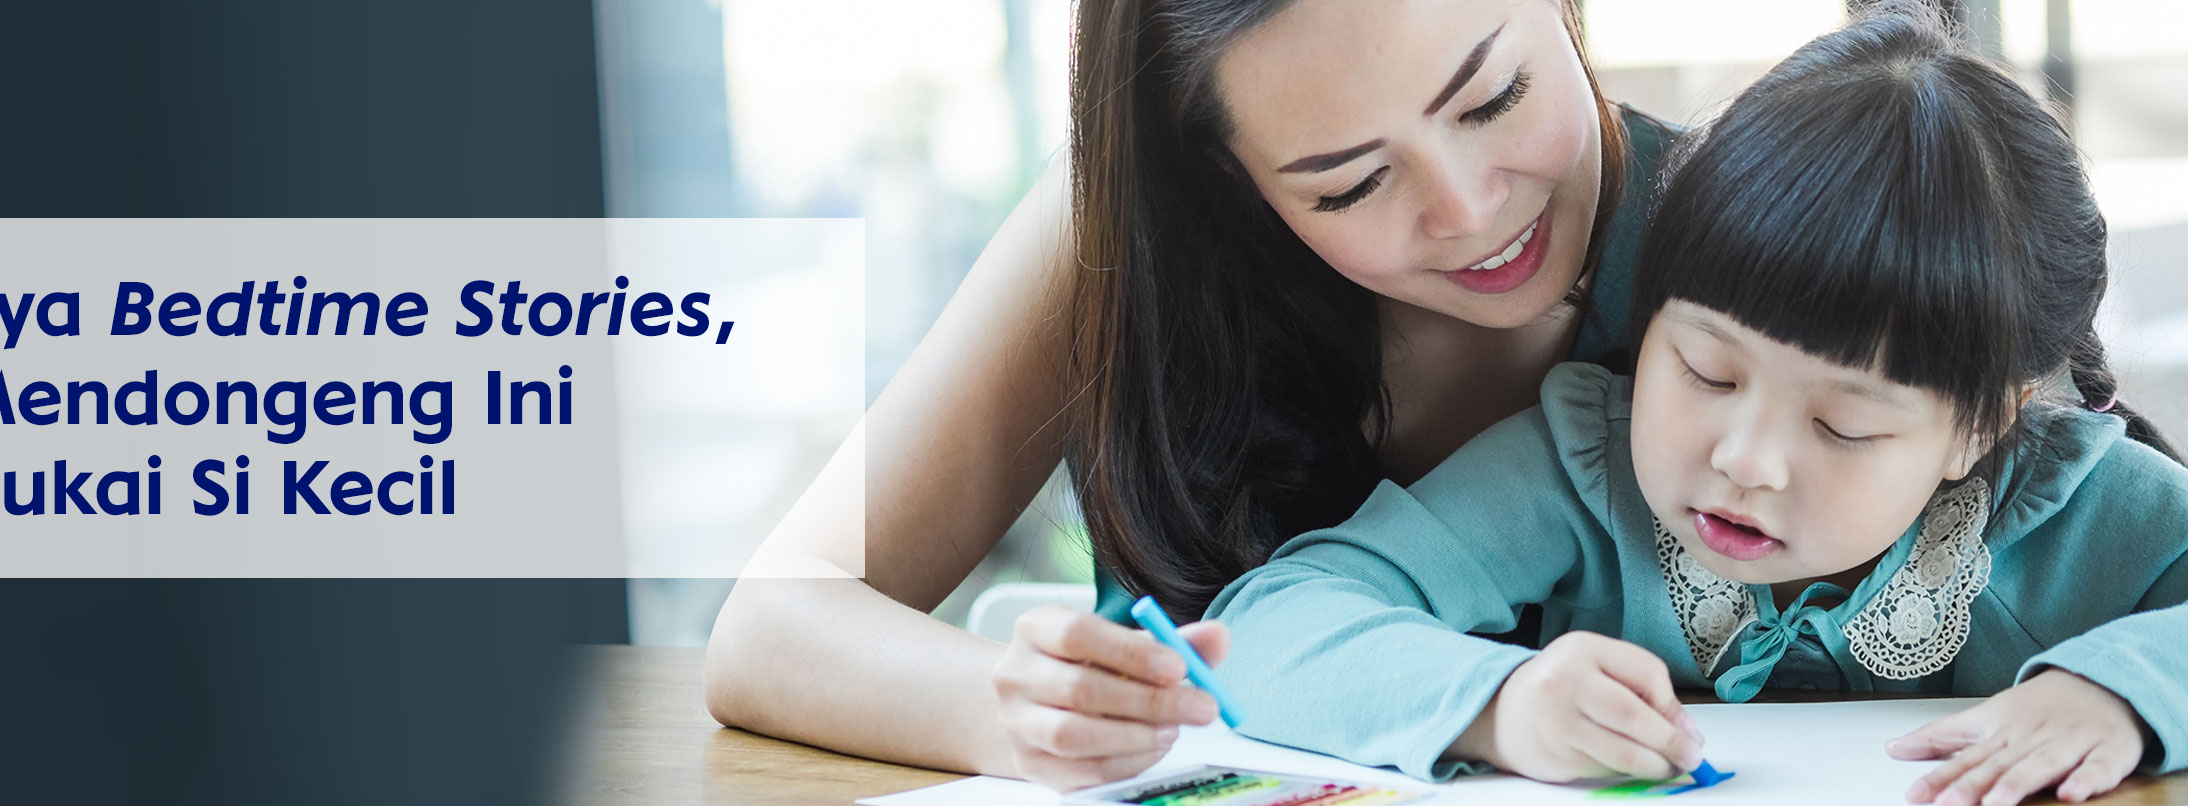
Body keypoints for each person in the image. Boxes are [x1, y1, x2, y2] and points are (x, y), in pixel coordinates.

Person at [1199, 8, 2188, 806]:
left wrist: (2118, 691)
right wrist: (1499, 703)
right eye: (1703, 372)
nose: (1741, 459)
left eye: (1847, 426)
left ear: (1978, 424)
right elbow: (1270, 629)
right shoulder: (1579, 466)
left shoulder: (2056, 499)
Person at [705, 0, 1684, 789]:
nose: (1470, 208)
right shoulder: (1114, 238)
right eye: (1348, 185)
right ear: (1221, 174)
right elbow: (776, 622)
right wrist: (1012, 706)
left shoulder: (1764, 234)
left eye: (1491, 97)